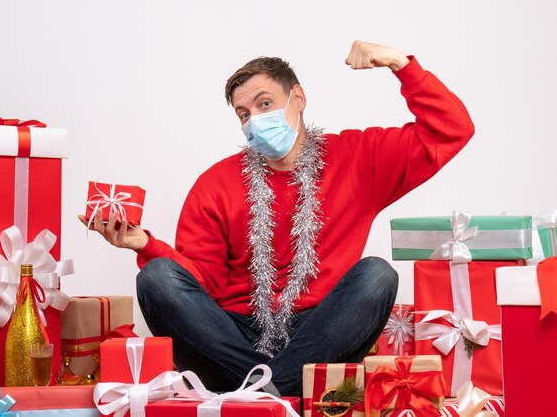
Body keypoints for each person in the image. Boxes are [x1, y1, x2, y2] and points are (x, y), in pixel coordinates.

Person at [80, 40, 474, 397]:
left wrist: (399, 64)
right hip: (232, 338)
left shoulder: (359, 157)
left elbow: (452, 129)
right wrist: (145, 245)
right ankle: (280, 394)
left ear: (298, 98)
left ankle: (259, 396)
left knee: (377, 275)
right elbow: (204, 282)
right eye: (243, 113)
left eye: (264, 104)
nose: (254, 120)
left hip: (320, 333)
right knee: (155, 278)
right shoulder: (215, 183)